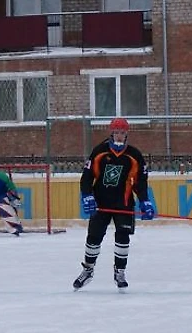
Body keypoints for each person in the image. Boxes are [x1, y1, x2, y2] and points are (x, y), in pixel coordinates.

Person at [72, 117, 154, 291]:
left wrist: (145, 201)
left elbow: (140, 182)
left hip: (123, 204)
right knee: (93, 238)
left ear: (126, 134)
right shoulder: (100, 151)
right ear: (112, 132)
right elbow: (87, 177)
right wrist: (87, 195)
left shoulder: (134, 155)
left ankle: (120, 271)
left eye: (122, 133)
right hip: (100, 203)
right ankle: (88, 270)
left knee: (122, 239)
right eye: (116, 132)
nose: (119, 136)